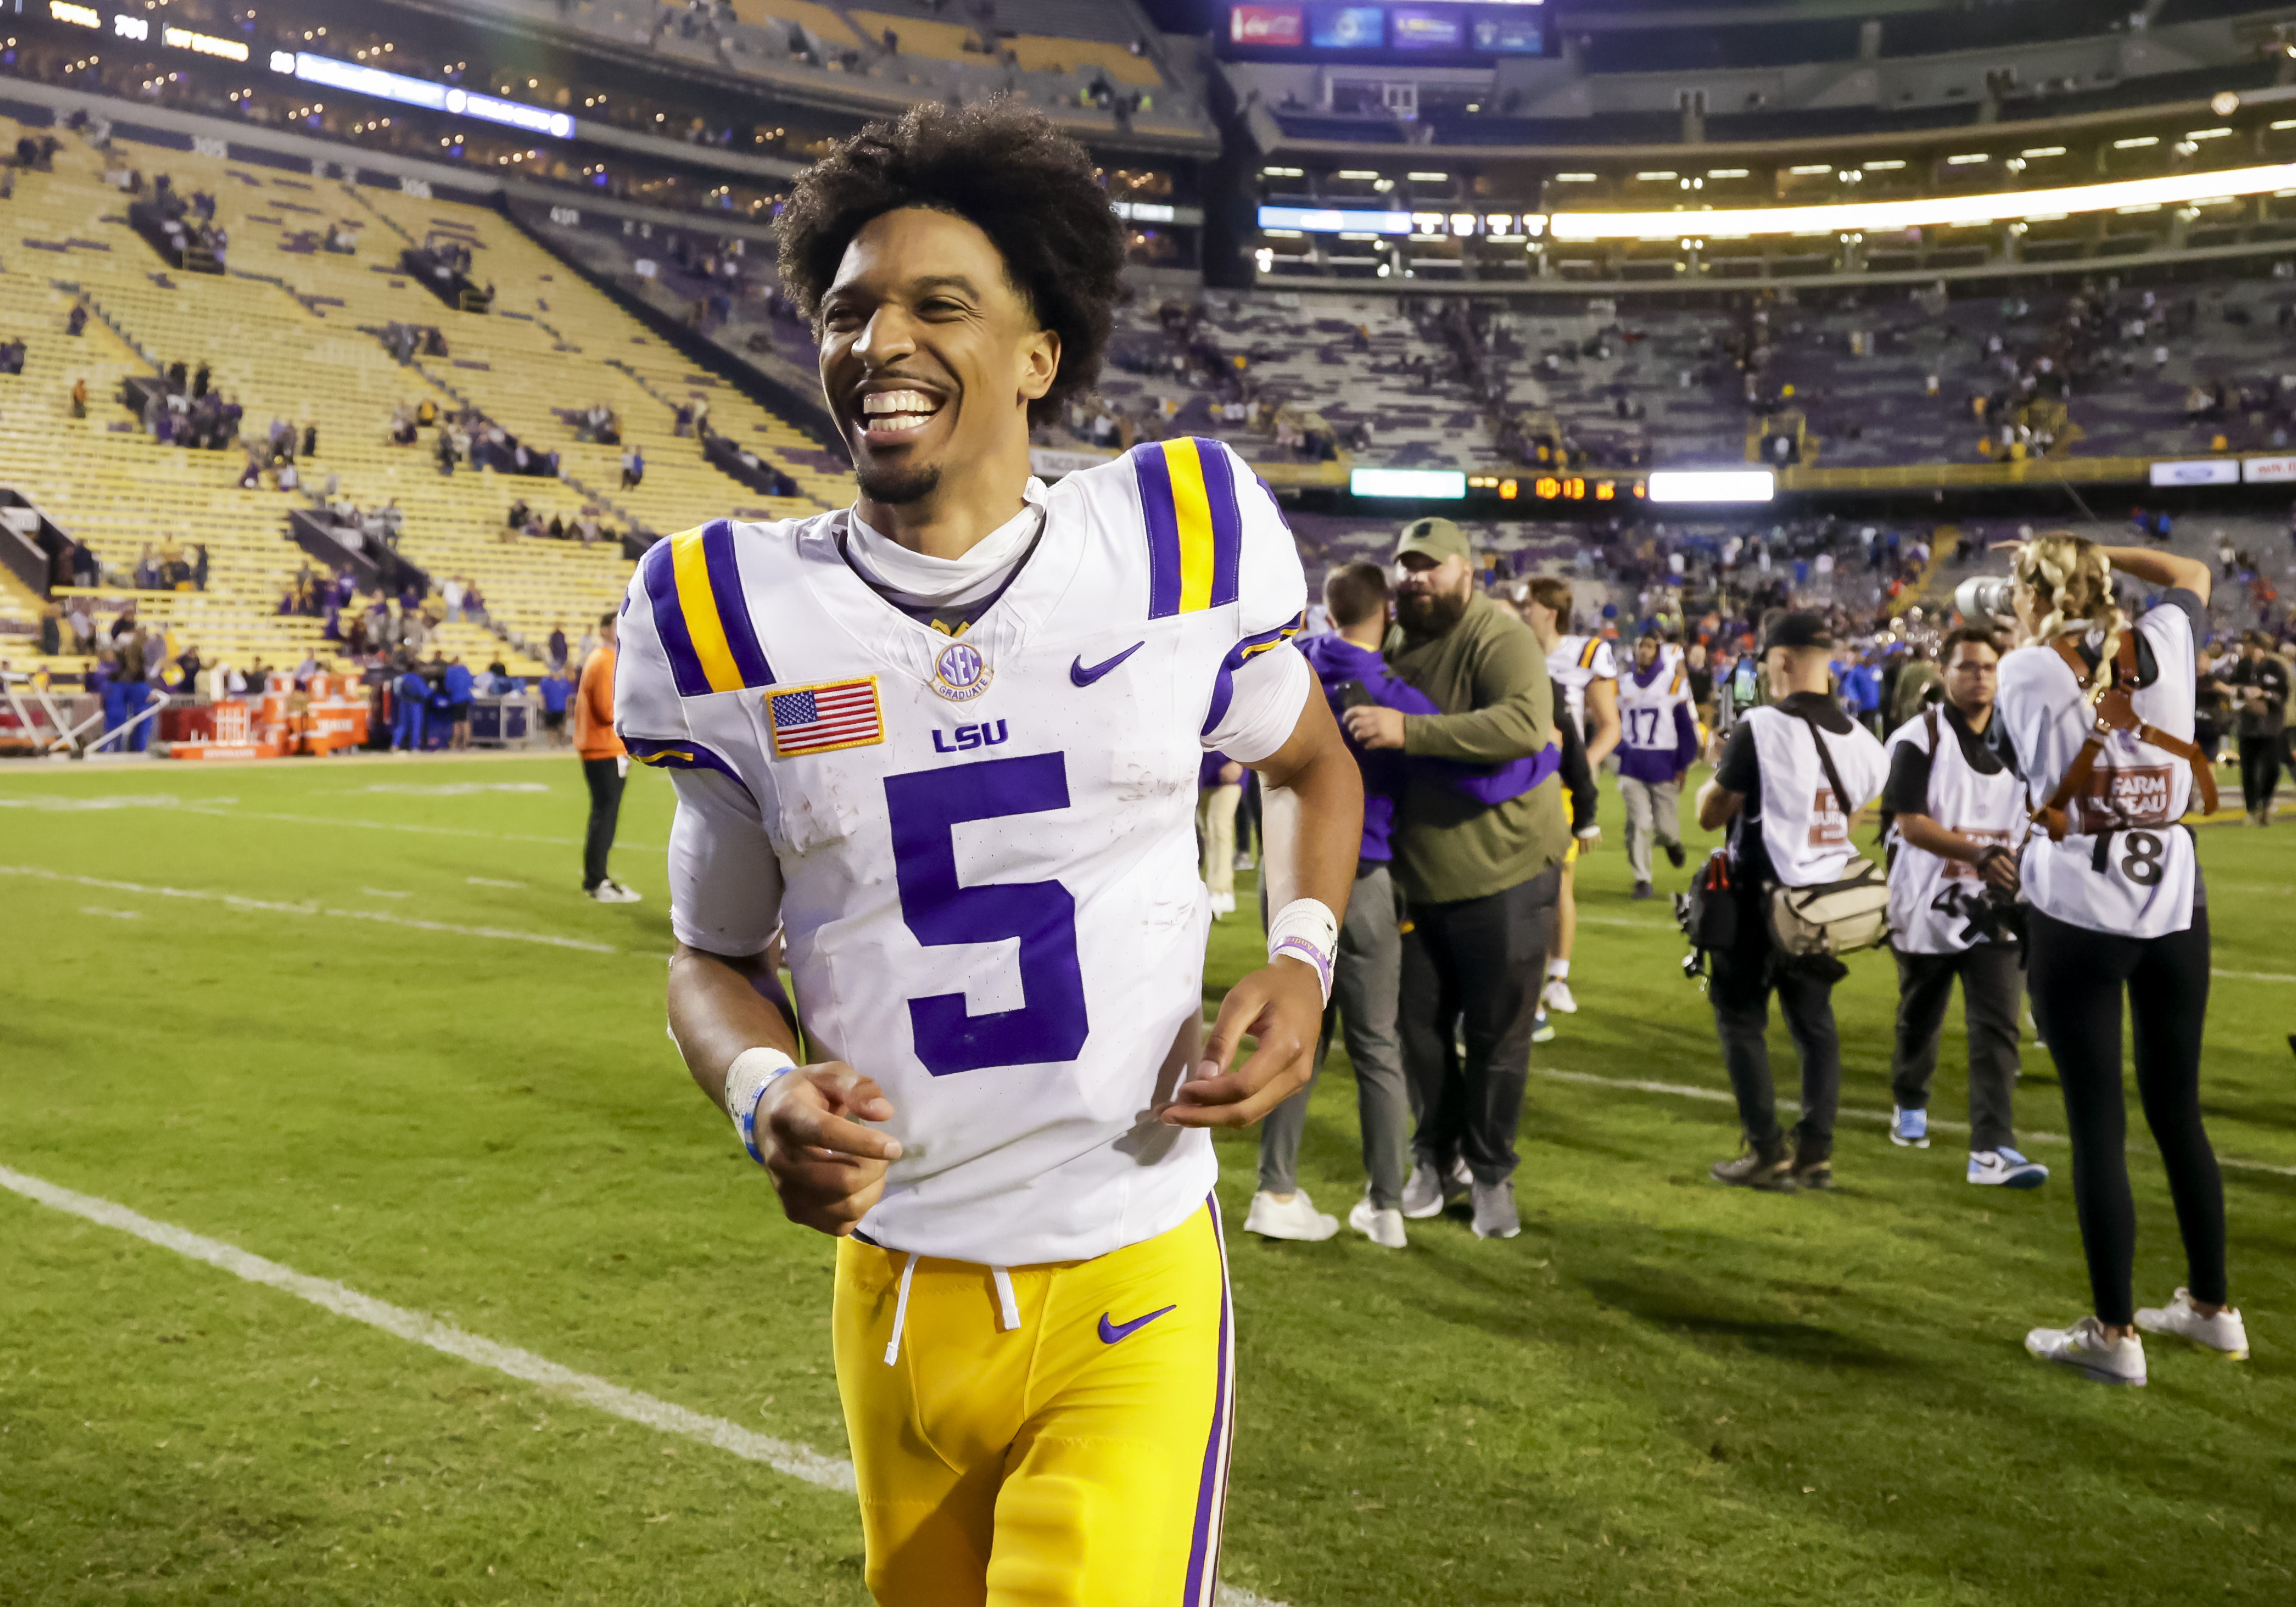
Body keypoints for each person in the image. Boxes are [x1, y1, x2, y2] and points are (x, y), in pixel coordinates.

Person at [621, 102, 1360, 1606]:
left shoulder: (1178, 538)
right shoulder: (727, 613)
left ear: (1040, 353)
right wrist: (763, 1087)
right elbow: (710, 958)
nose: (877, 338)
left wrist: (1302, 959)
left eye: (936, 303)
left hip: (1128, 1263)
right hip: (893, 1291)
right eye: (846, 310)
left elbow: (1304, 764)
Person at [1995, 536, 2246, 1385]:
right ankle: (2211, 1310)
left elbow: (2010, 767)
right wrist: (2097, 549)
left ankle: (2112, 1334)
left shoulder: (2026, 668)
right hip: (2175, 893)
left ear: (2032, 594)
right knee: (2177, 1110)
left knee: (2096, 1121)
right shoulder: (2166, 638)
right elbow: (2189, 576)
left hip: (2079, 901)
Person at [1344, 519, 1564, 1240]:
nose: (1415, 579)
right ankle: (1433, 1159)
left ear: (1467, 574)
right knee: (1418, 1035)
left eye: (1431, 568)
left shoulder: (1500, 639)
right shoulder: (1394, 645)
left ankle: (1493, 1171)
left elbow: (1525, 726)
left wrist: (1412, 732)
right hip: (1415, 881)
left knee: (1500, 1036)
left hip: (1504, 875)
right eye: (1407, 567)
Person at [1694, 611, 1889, 1191]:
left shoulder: (1761, 726)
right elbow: (1850, 817)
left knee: (1739, 1021)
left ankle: (1765, 1151)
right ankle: (1816, 1153)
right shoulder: (1863, 741)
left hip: (1760, 898)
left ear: (1779, 660)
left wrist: (1716, 773)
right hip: (1823, 903)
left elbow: (1711, 813)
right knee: (1814, 1026)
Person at [1879, 628, 2046, 1188]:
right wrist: (1978, 852)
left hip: (1995, 908)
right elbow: (1908, 820)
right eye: (1967, 667)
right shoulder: (1917, 737)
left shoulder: (2021, 741)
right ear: (1944, 673)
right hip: (1926, 902)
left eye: (1988, 668)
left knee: (1997, 1026)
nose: (1979, 677)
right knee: (1920, 1017)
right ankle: (1908, 1099)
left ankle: (1991, 1149)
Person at [1518, 577, 1617, 1017]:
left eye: (1529, 606)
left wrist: (1584, 766)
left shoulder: (1585, 653)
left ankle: (1555, 977)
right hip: (1516, 783)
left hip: (1559, 788)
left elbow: (1609, 724)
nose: (1522, 613)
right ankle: (1528, 983)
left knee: (1556, 887)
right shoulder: (1511, 651)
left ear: (1548, 612)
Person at [1613, 629, 1697, 899]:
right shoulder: (1622, 684)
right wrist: (1618, 749)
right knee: (1638, 822)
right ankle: (1642, 879)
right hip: (1632, 763)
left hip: (1663, 763)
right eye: (1640, 646)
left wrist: (1683, 764)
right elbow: (1611, 721)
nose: (1643, 651)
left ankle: (1673, 844)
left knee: (1666, 829)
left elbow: (1685, 728)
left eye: (1649, 647)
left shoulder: (1672, 684)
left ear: (1658, 651)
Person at [575, 611, 639, 902]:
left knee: (604, 814)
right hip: (605, 749)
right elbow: (607, 711)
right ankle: (597, 880)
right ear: (604, 630)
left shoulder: (604, 660)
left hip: (603, 749)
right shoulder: (603, 661)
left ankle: (598, 878)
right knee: (605, 815)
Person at [2226, 629, 2288, 825]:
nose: (2245, 648)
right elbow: (2233, 689)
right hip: (2248, 725)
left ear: (2258, 646)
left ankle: (2264, 802)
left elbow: (2282, 694)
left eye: (2248, 644)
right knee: (2248, 770)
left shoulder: (2276, 667)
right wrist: (2248, 696)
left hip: (2271, 726)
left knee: (2272, 769)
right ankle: (2252, 810)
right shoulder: (2242, 666)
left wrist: (2263, 695)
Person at [1196, 751, 1245, 916]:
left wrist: (1240, 762)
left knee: (1219, 826)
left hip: (1229, 768)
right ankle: (1213, 889)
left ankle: (1220, 892)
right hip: (1203, 770)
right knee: (1208, 832)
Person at [391, 662, 427, 752]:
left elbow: (397, 692)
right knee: (416, 725)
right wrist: (433, 689)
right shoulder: (416, 678)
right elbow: (425, 692)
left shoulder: (402, 678)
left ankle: (395, 745)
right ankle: (414, 747)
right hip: (415, 704)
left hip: (404, 703)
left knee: (402, 725)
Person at [443, 654, 474, 750]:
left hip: (457, 699)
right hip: (467, 698)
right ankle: (466, 743)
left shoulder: (451, 671)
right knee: (466, 721)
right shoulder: (465, 670)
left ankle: (456, 743)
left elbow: (448, 686)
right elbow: (471, 683)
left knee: (457, 722)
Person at [538, 662, 572, 745]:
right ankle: (552, 745)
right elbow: (542, 695)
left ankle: (562, 744)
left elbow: (567, 697)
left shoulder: (564, 682)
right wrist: (542, 705)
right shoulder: (546, 682)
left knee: (561, 727)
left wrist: (568, 708)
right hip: (550, 709)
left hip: (561, 708)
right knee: (551, 728)